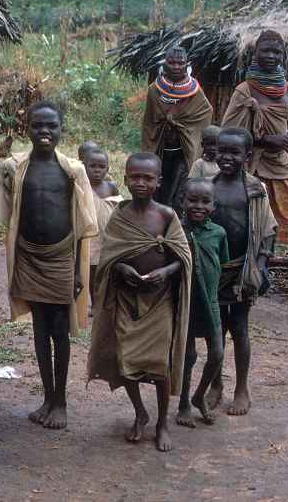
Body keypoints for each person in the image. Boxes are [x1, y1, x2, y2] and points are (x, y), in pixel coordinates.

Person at [0, 101, 98, 429]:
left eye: (51, 126)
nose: (44, 132)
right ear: (27, 129)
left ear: (61, 130)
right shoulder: (15, 168)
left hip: (60, 257)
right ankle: (46, 397)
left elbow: (84, 223)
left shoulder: (73, 171)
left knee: (60, 329)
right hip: (28, 255)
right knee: (40, 328)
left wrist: (80, 272)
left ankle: (61, 402)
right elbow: (7, 214)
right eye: (38, 125)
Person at [221, 30, 288, 322]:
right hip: (253, 167)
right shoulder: (244, 90)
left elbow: (286, 132)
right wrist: (264, 142)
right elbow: (229, 135)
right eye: (265, 51)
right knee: (246, 231)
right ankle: (237, 292)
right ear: (254, 53)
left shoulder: (285, 87)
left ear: (283, 55)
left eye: (276, 52)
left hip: (281, 168)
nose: (271, 56)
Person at [87, 153, 191, 452]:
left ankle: (161, 423)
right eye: (135, 177)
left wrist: (166, 271)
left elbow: (182, 257)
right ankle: (140, 413)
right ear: (126, 179)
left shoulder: (167, 215)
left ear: (158, 182)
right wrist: (122, 269)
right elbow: (109, 256)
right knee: (126, 362)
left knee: (159, 368)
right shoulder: (119, 214)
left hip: (159, 302)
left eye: (148, 178)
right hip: (127, 300)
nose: (141, 182)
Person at [206, 127, 277, 416]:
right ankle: (215, 385)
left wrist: (261, 265)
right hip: (212, 270)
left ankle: (241, 389)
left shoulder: (254, 190)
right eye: (223, 150)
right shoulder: (207, 186)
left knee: (239, 329)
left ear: (247, 156)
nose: (227, 157)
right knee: (215, 330)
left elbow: (268, 230)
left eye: (235, 152)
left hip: (242, 271)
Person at [176, 178, 227, 428]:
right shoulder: (176, 231)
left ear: (214, 206)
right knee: (188, 356)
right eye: (192, 200)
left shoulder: (218, 233)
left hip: (212, 303)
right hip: (186, 304)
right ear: (182, 201)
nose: (198, 206)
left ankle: (199, 396)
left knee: (217, 354)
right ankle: (184, 402)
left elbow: (223, 265)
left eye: (206, 201)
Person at [141, 46, 213, 215]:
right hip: (160, 148)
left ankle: (177, 223)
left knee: (179, 189)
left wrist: (180, 124)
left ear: (186, 64)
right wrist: (164, 122)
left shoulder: (195, 92)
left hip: (182, 150)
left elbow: (205, 113)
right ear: (164, 64)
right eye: (171, 62)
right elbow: (149, 121)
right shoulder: (154, 90)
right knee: (158, 186)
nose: (176, 67)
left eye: (180, 63)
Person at [83, 148, 123, 304]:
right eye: (92, 166)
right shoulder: (82, 187)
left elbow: (118, 209)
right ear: (84, 166)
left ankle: (105, 300)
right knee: (92, 272)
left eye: (101, 167)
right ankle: (94, 302)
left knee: (107, 270)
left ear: (108, 168)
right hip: (90, 237)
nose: (97, 170)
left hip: (107, 236)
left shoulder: (110, 187)